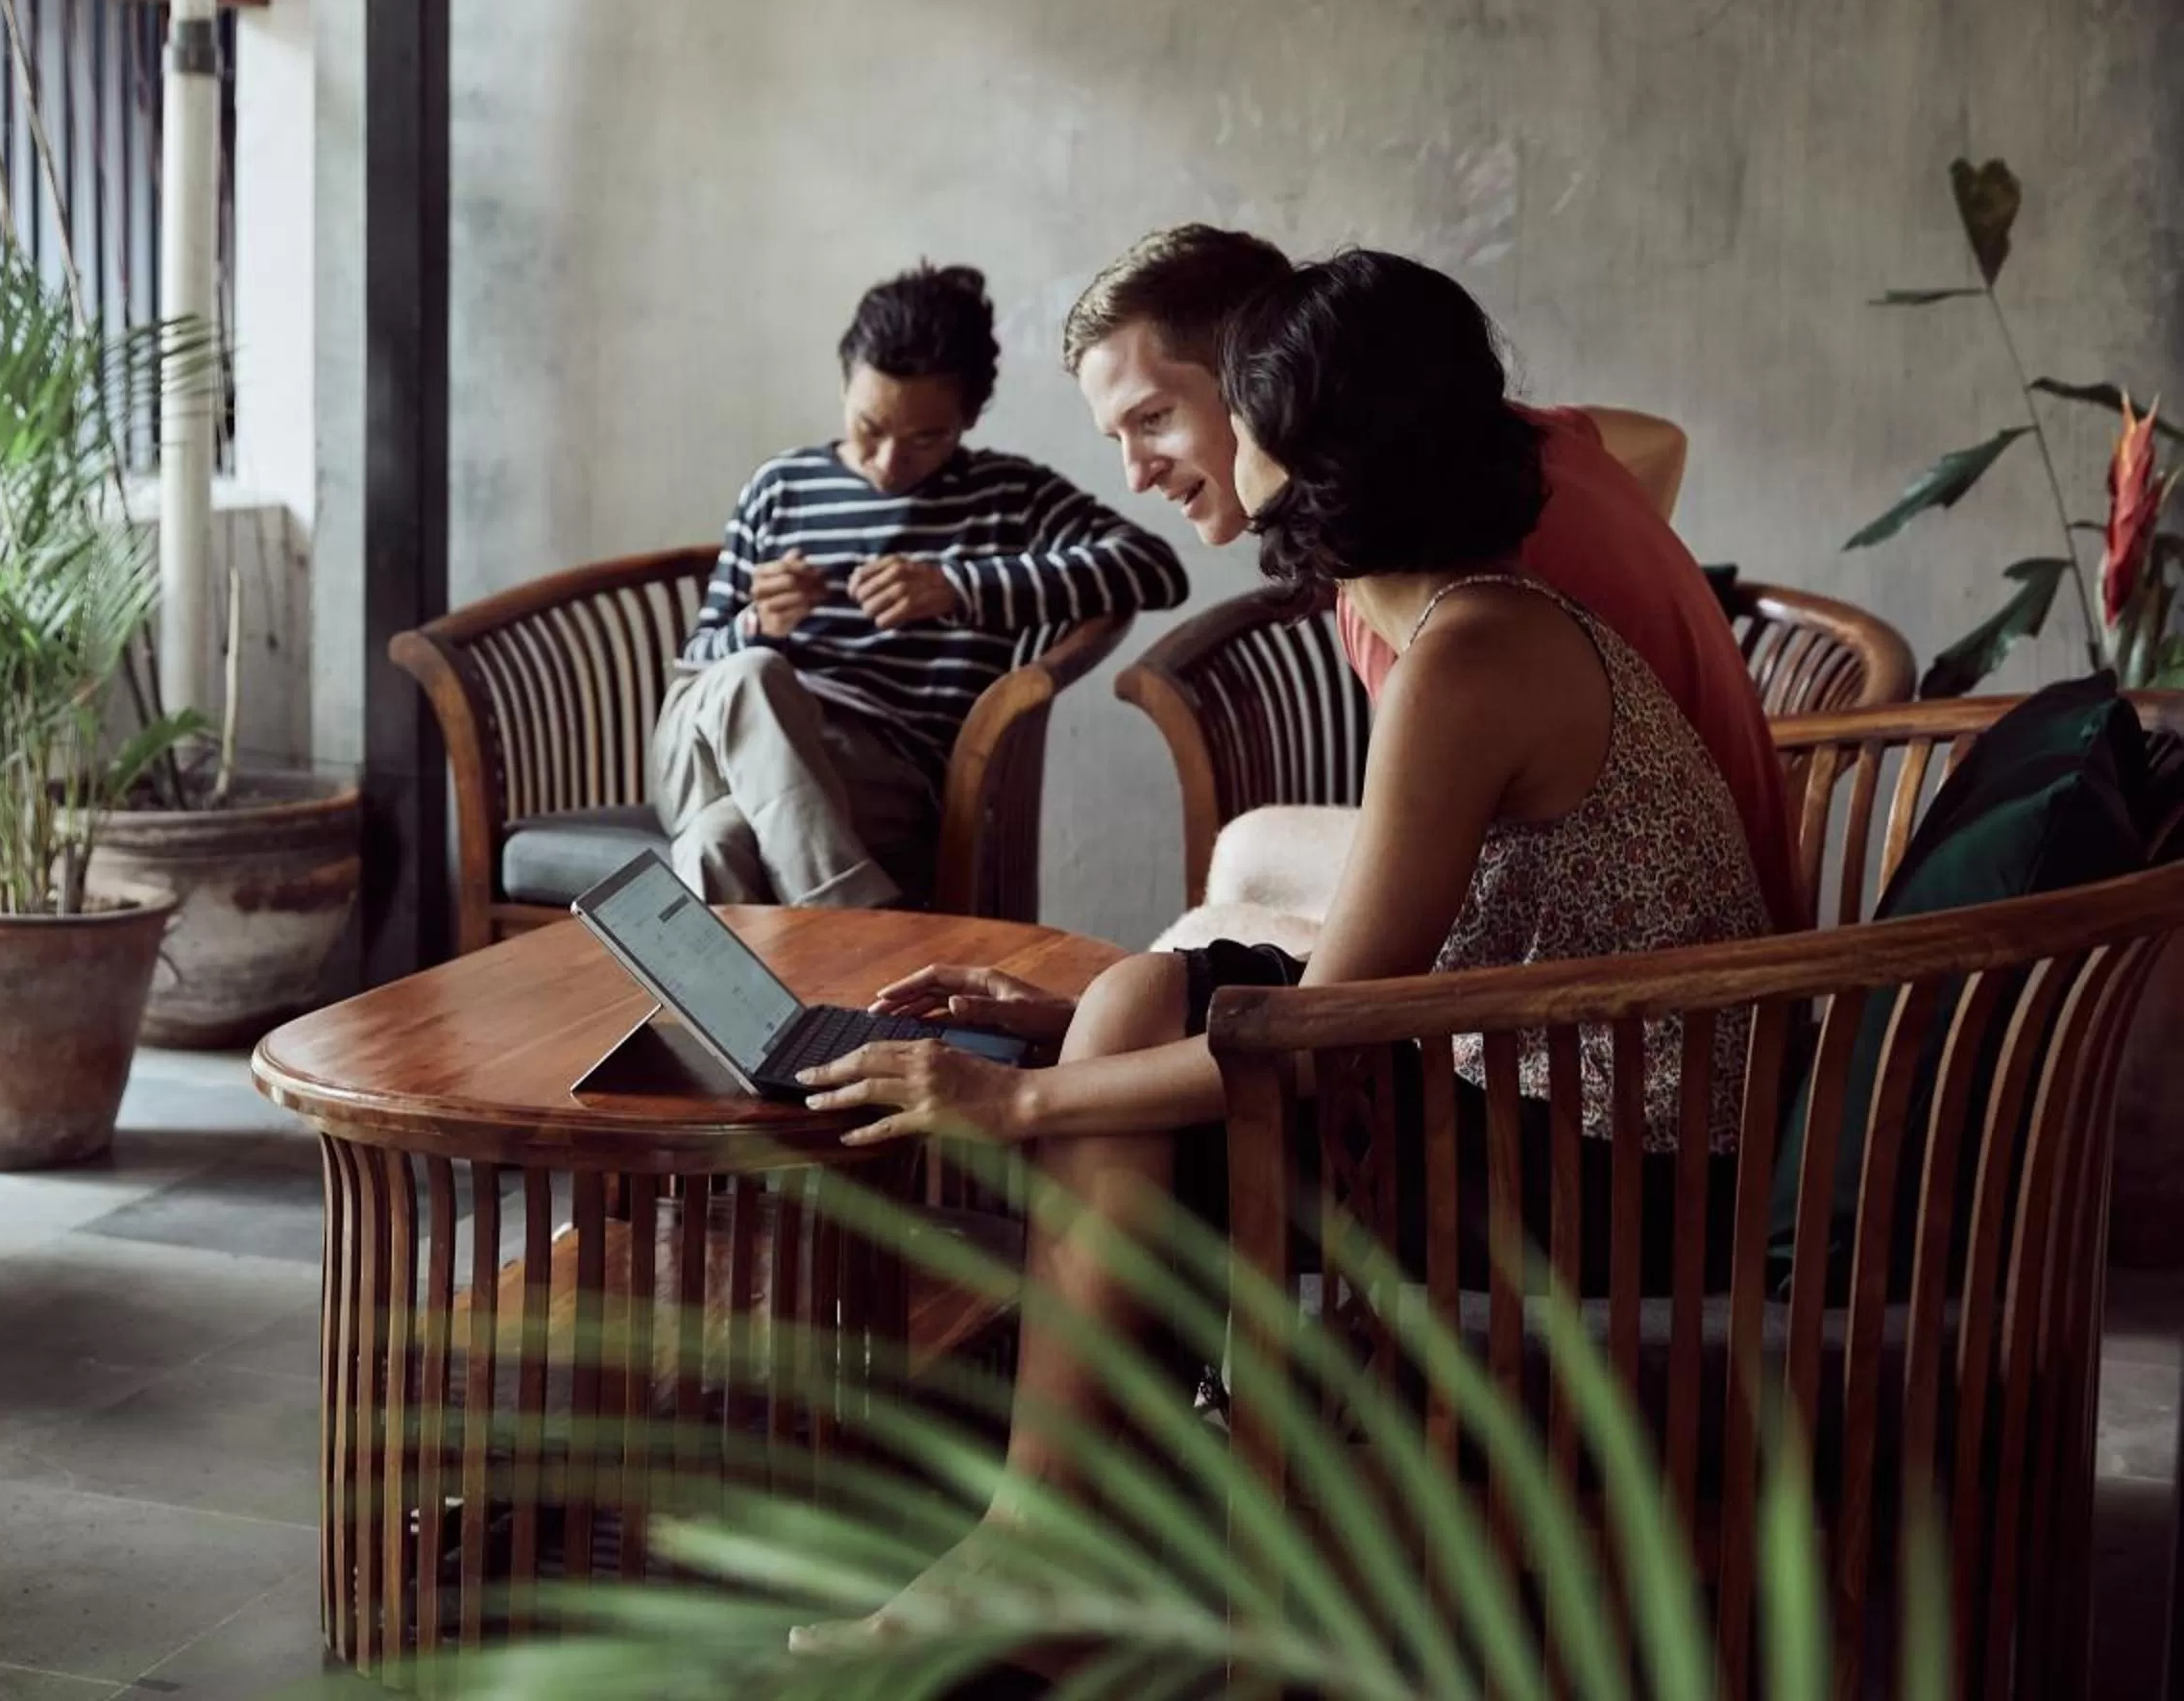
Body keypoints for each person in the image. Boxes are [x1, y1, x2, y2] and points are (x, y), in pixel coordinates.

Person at [790, 251, 1772, 1653]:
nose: (1198, 446)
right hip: (1562, 1068)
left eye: (1228, 409)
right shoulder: (1461, 615)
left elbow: (1325, 1026)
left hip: (1624, 1167)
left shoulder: (1469, 653)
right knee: (1134, 998)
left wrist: (1018, 1099)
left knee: (1130, 1058)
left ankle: (1043, 1531)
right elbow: (1386, 958)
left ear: (1318, 439)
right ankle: (1083, 1506)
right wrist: (1078, 1015)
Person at [1057, 224, 1801, 949]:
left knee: (1184, 957)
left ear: (1262, 370)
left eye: (1154, 418)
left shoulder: (1428, 584)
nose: (1135, 471)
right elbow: (1659, 440)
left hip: (1682, 969)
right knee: (1251, 851)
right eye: (1116, 436)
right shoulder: (1503, 449)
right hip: (1724, 888)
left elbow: (1360, 996)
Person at [654, 262, 1189, 909]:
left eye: (925, 438)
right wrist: (752, 625)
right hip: (707, 749)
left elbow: (1154, 567)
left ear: (969, 418)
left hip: (880, 772)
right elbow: (698, 659)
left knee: (718, 843)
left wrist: (959, 588)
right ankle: (857, 927)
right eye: (869, 428)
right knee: (751, 673)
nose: (888, 462)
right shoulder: (780, 487)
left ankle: (759, 1010)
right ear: (844, 383)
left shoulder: (1008, 496)